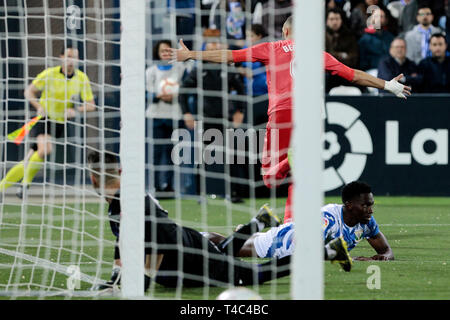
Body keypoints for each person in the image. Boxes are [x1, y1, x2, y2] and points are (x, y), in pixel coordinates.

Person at [166, 15, 411, 224]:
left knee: (270, 178)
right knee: (300, 176)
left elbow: (231, 55)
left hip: (282, 111)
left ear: (285, 31)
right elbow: (353, 75)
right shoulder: (318, 53)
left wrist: (191, 55)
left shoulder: (271, 48)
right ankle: (290, 223)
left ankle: (289, 172)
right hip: (310, 115)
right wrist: (387, 85)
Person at [87, 151, 303, 290]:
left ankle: (316, 253)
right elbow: (123, 239)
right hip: (187, 255)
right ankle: (258, 223)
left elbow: (158, 240)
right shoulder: (120, 202)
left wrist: (144, 279)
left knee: (256, 275)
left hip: (195, 260)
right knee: (224, 251)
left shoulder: (133, 202)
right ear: (122, 171)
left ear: (93, 178)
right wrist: (117, 276)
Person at [204, 181, 394, 264]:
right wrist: (348, 259)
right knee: (227, 247)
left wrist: (381, 257)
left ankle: (249, 233)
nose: (371, 210)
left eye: (371, 205)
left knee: (239, 242)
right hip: (283, 243)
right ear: (349, 205)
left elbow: (387, 251)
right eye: (366, 205)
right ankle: (196, 237)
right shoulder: (328, 218)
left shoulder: (366, 221)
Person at [0, 46, 96, 199]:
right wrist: (39, 106)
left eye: (75, 57)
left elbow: (91, 105)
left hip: (59, 123)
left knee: (30, 157)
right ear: (61, 57)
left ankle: (7, 187)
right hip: (43, 118)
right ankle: (24, 185)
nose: (71, 60)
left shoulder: (81, 78)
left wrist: (76, 110)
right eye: (68, 56)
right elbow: (28, 91)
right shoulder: (50, 73)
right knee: (45, 150)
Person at [179, 32, 247, 202]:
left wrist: (240, 111)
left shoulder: (229, 69)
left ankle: (234, 193)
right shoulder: (199, 70)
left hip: (226, 118)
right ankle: (201, 194)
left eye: (217, 43)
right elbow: (183, 91)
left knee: (232, 156)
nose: (215, 46)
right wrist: (186, 112)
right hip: (205, 118)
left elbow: (242, 91)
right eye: (211, 44)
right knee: (202, 157)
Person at [145, 40, 187, 194]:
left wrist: (175, 95)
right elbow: (146, 94)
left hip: (174, 115)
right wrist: (159, 96)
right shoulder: (151, 71)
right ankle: (155, 185)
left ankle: (168, 186)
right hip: (155, 116)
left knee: (172, 153)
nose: (165, 54)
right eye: (163, 51)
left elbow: (187, 88)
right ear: (157, 52)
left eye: (169, 51)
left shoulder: (180, 69)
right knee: (156, 153)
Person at [325, 8, 360, 92]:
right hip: (328, 73)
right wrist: (342, 55)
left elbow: (353, 58)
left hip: (346, 71)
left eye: (337, 19)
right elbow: (323, 58)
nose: (334, 22)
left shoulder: (350, 36)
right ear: (326, 21)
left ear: (341, 20)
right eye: (331, 19)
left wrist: (333, 56)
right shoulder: (321, 36)